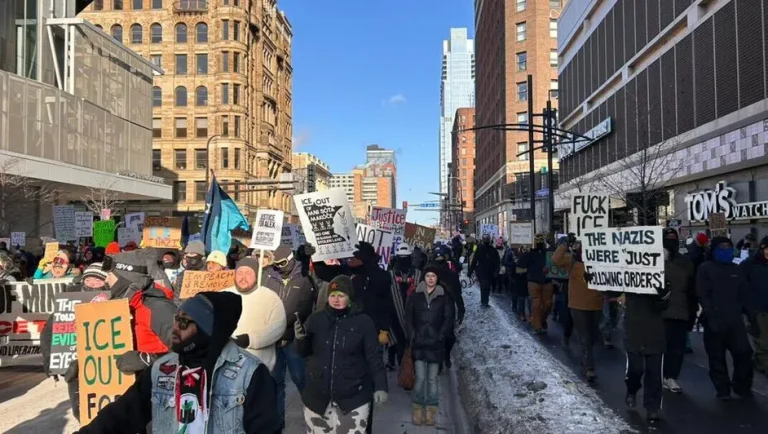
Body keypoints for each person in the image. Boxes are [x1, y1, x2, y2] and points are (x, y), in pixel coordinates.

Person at [74, 291, 281, 434]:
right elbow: (122, 415)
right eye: (176, 319)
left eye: (183, 322)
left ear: (207, 330)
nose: (174, 328)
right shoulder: (163, 369)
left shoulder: (250, 373)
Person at [296, 275, 388, 434]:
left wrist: (381, 386)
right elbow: (303, 353)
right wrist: (300, 339)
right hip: (317, 399)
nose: (336, 300)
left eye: (341, 296)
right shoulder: (316, 319)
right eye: (332, 296)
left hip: (353, 398)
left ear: (350, 298)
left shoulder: (363, 322)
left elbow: (374, 357)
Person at [587, 269, 671, 425]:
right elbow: (612, 291)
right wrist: (594, 280)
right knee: (636, 369)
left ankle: (652, 408)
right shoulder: (629, 275)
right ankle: (632, 389)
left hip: (655, 331)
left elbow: (664, 304)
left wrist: (662, 294)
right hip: (633, 329)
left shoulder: (660, 274)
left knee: (654, 372)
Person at [40, 262, 109, 422]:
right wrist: (50, 359)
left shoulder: (116, 300)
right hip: (75, 367)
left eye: (98, 280)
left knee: (106, 410)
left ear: (106, 282)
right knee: (81, 410)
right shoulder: (68, 302)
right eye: (88, 279)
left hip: (105, 366)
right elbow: (48, 332)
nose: (92, 284)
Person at [698, 236, 759, 400]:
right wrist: (710, 317)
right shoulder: (706, 268)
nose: (726, 250)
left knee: (744, 354)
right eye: (722, 247)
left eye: (728, 247)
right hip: (715, 321)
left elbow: (745, 296)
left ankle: (741, 386)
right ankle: (722, 388)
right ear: (714, 250)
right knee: (717, 357)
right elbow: (703, 295)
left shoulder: (736, 269)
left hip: (735, 321)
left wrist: (752, 319)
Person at [261, 245, 314, 428]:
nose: (279, 266)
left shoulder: (305, 277)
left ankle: (314, 418)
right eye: (276, 264)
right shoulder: (269, 275)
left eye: (283, 263)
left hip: (292, 338)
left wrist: (287, 327)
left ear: (291, 259)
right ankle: (278, 423)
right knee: (276, 383)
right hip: (273, 339)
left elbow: (305, 308)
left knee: (301, 379)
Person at [405, 266, 455, 426]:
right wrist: (412, 334)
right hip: (419, 343)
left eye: (433, 276)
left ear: (437, 278)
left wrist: (440, 335)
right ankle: (418, 409)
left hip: (435, 344)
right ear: (424, 278)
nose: (431, 278)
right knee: (420, 378)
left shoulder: (444, 297)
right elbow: (408, 317)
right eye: (428, 276)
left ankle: (431, 411)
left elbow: (448, 318)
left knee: (432, 379)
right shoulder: (415, 296)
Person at [553, 236, 602, 381]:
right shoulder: (571, 260)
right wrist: (565, 244)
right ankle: (588, 367)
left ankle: (586, 359)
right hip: (577, 305)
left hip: (596, 304)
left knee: (592, 337)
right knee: (584, 337)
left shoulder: (600, 260)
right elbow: (556, 259)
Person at [231, 258, 287, 371]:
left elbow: (278, 326)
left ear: (256, 275)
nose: (243, 277)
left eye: (248, 273)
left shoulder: (270, 297)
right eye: (239, 273)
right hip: (229, 363)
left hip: (259, 365)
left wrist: (252, 339)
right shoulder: (223, 294)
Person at [660, 228, 697, 394]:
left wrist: (693, 312)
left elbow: (692, 290)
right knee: (662, 347)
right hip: (660, 312)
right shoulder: (654, 260)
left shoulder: (685, 262)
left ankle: (671, 376)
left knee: (677, 348)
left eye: (673, 238)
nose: (671, 240)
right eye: (668, 238)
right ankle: (660, 375)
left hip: (681, 312)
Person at [429, 249, 465, 370]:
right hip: (436, 309)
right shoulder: (429, 276)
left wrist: (461, 309)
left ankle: (445, 356)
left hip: (445, 309)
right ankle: (440, 359)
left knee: (447, 336)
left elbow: (457, 293)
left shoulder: (451, 276)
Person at [387, 243, 419, 369]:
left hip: (413, 317)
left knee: (411, 343)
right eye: (401, 257)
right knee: (400, 343)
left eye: (406, 257)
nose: (404, 260)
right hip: (395, 315)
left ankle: (409, 368)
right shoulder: (389, 275)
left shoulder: (418, 275)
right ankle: (404, 370)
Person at [741, 236, 768, 375]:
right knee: (762, 340)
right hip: (758, 309)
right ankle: (762, 364)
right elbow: (742, 288)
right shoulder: (749, 265)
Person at [518, 233, 553, 334]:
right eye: (537, 241)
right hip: (534, 281)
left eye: (540, 241)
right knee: (536, 304)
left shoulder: (548, 253)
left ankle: (542, 320)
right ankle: (537, 326)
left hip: (547, 281)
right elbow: (520, 263)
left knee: (548, 304)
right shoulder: (530, 254)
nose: (539, 243)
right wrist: (523, 252)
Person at [468, 234, 500, 307]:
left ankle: (485, 301)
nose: (486, 240)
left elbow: (497, 261)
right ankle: (484, 301)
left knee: (487, 286)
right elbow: (474, 260)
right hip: (482, 270)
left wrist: (496, 271)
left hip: (489, 271)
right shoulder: (479, 248)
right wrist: (470, 270)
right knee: (484, 286)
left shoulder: (493, 250)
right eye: (485, 239)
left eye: (487, 239)